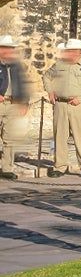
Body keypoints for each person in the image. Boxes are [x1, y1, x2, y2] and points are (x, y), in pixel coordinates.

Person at [44, 38, 81, 177]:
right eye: (68, 50)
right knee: (60, 136)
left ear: (79, 51)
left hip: (79, 105)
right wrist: (50, 91)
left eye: (72, 50)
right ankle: (60, 167)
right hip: (60, 104)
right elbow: (46, 77)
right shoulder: (59, 64)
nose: (69, 53)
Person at [0, 35, 32, 181]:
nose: (8, 51)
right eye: (5, 48)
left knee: (9, 139)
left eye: (10, 48)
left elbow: (22, 83)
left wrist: (24, 102)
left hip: (13, 104)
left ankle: (7, 168)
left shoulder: (17, 66)